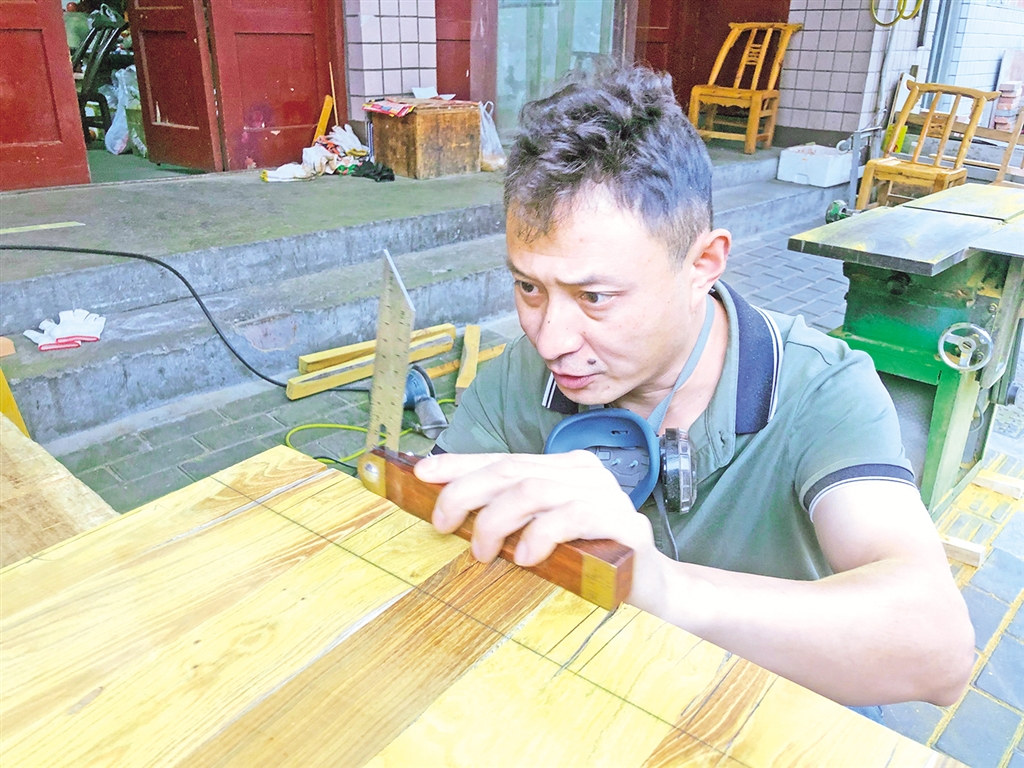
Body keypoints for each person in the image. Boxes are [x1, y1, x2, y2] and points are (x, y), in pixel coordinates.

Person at [415, 65, 974, 709]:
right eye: (528, 287)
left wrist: (662, 587)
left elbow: (938, 652)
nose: (550, 340)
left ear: (703, 264)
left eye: (595, 297)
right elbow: (423, 529)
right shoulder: (520, 376)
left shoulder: (822, 389)